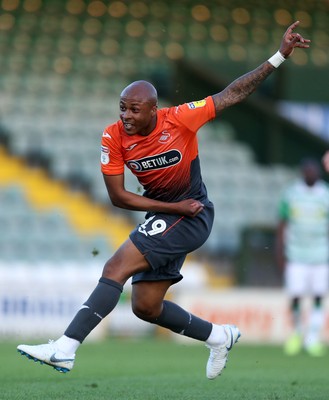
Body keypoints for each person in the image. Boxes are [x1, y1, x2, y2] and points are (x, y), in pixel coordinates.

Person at [17, 21, 310, 379]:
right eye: (122, 108)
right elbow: (119, 198)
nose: (125, 116)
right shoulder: (112, 137)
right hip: (173, 212)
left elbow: (232, 93)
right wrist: (173, 208)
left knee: (114, 268)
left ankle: (65, 348)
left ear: (153, 110)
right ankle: (218, 336)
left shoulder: (181, 119)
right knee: (146, 306)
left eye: (134, 110)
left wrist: (279, 56)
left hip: (194, 214)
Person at [276, 158, 329, 357]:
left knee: (318, 296)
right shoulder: (291, 194)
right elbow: (282, 225)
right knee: (296, 296)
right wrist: (280, 254)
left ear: (319, 173)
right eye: (307, 171)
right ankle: (297, 333)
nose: (310, 174)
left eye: (313, 171)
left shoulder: (326, 194)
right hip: (296, 255)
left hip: (321, 255)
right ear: (302, 172)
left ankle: (313, 338)